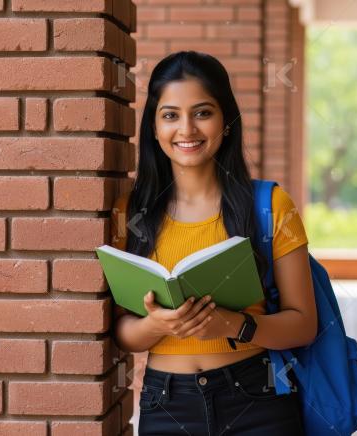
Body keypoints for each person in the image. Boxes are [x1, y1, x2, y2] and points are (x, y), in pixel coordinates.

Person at [110, 51, 317, 435]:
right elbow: (122, 333)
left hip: (258, 398)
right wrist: (157, 324)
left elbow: (304, 324)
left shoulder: (270, 206)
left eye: (202, 113)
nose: (186, 129)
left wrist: (231, 324)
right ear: (154, 128)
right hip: (167, 402)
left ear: (226, 122)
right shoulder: (131, 212)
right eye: (170, 115)